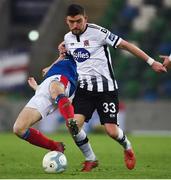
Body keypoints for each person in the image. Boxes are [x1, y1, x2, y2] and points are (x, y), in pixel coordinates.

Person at [46, 4, 167, 172]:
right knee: (72, 125)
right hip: (84, 90)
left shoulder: (99, 32)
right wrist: (52, 66)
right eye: (71, 22)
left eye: (78, 21)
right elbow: (67, 57)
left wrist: (151, 62)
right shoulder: (68, 39)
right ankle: (91, 159)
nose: (75, 25)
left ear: (85, 19)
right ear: (66, 21)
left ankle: (127, 146)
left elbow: (127, 45)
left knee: (111, 131)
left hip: (106, 90)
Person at [13, 54, 78, 153]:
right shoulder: (63, 55)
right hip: (45, 87)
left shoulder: (82, 50)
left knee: (55, 90)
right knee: (19, 128)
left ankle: (70, 120)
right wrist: (38, 88)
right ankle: (55, 146)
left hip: (63, 78)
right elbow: (45, 71)